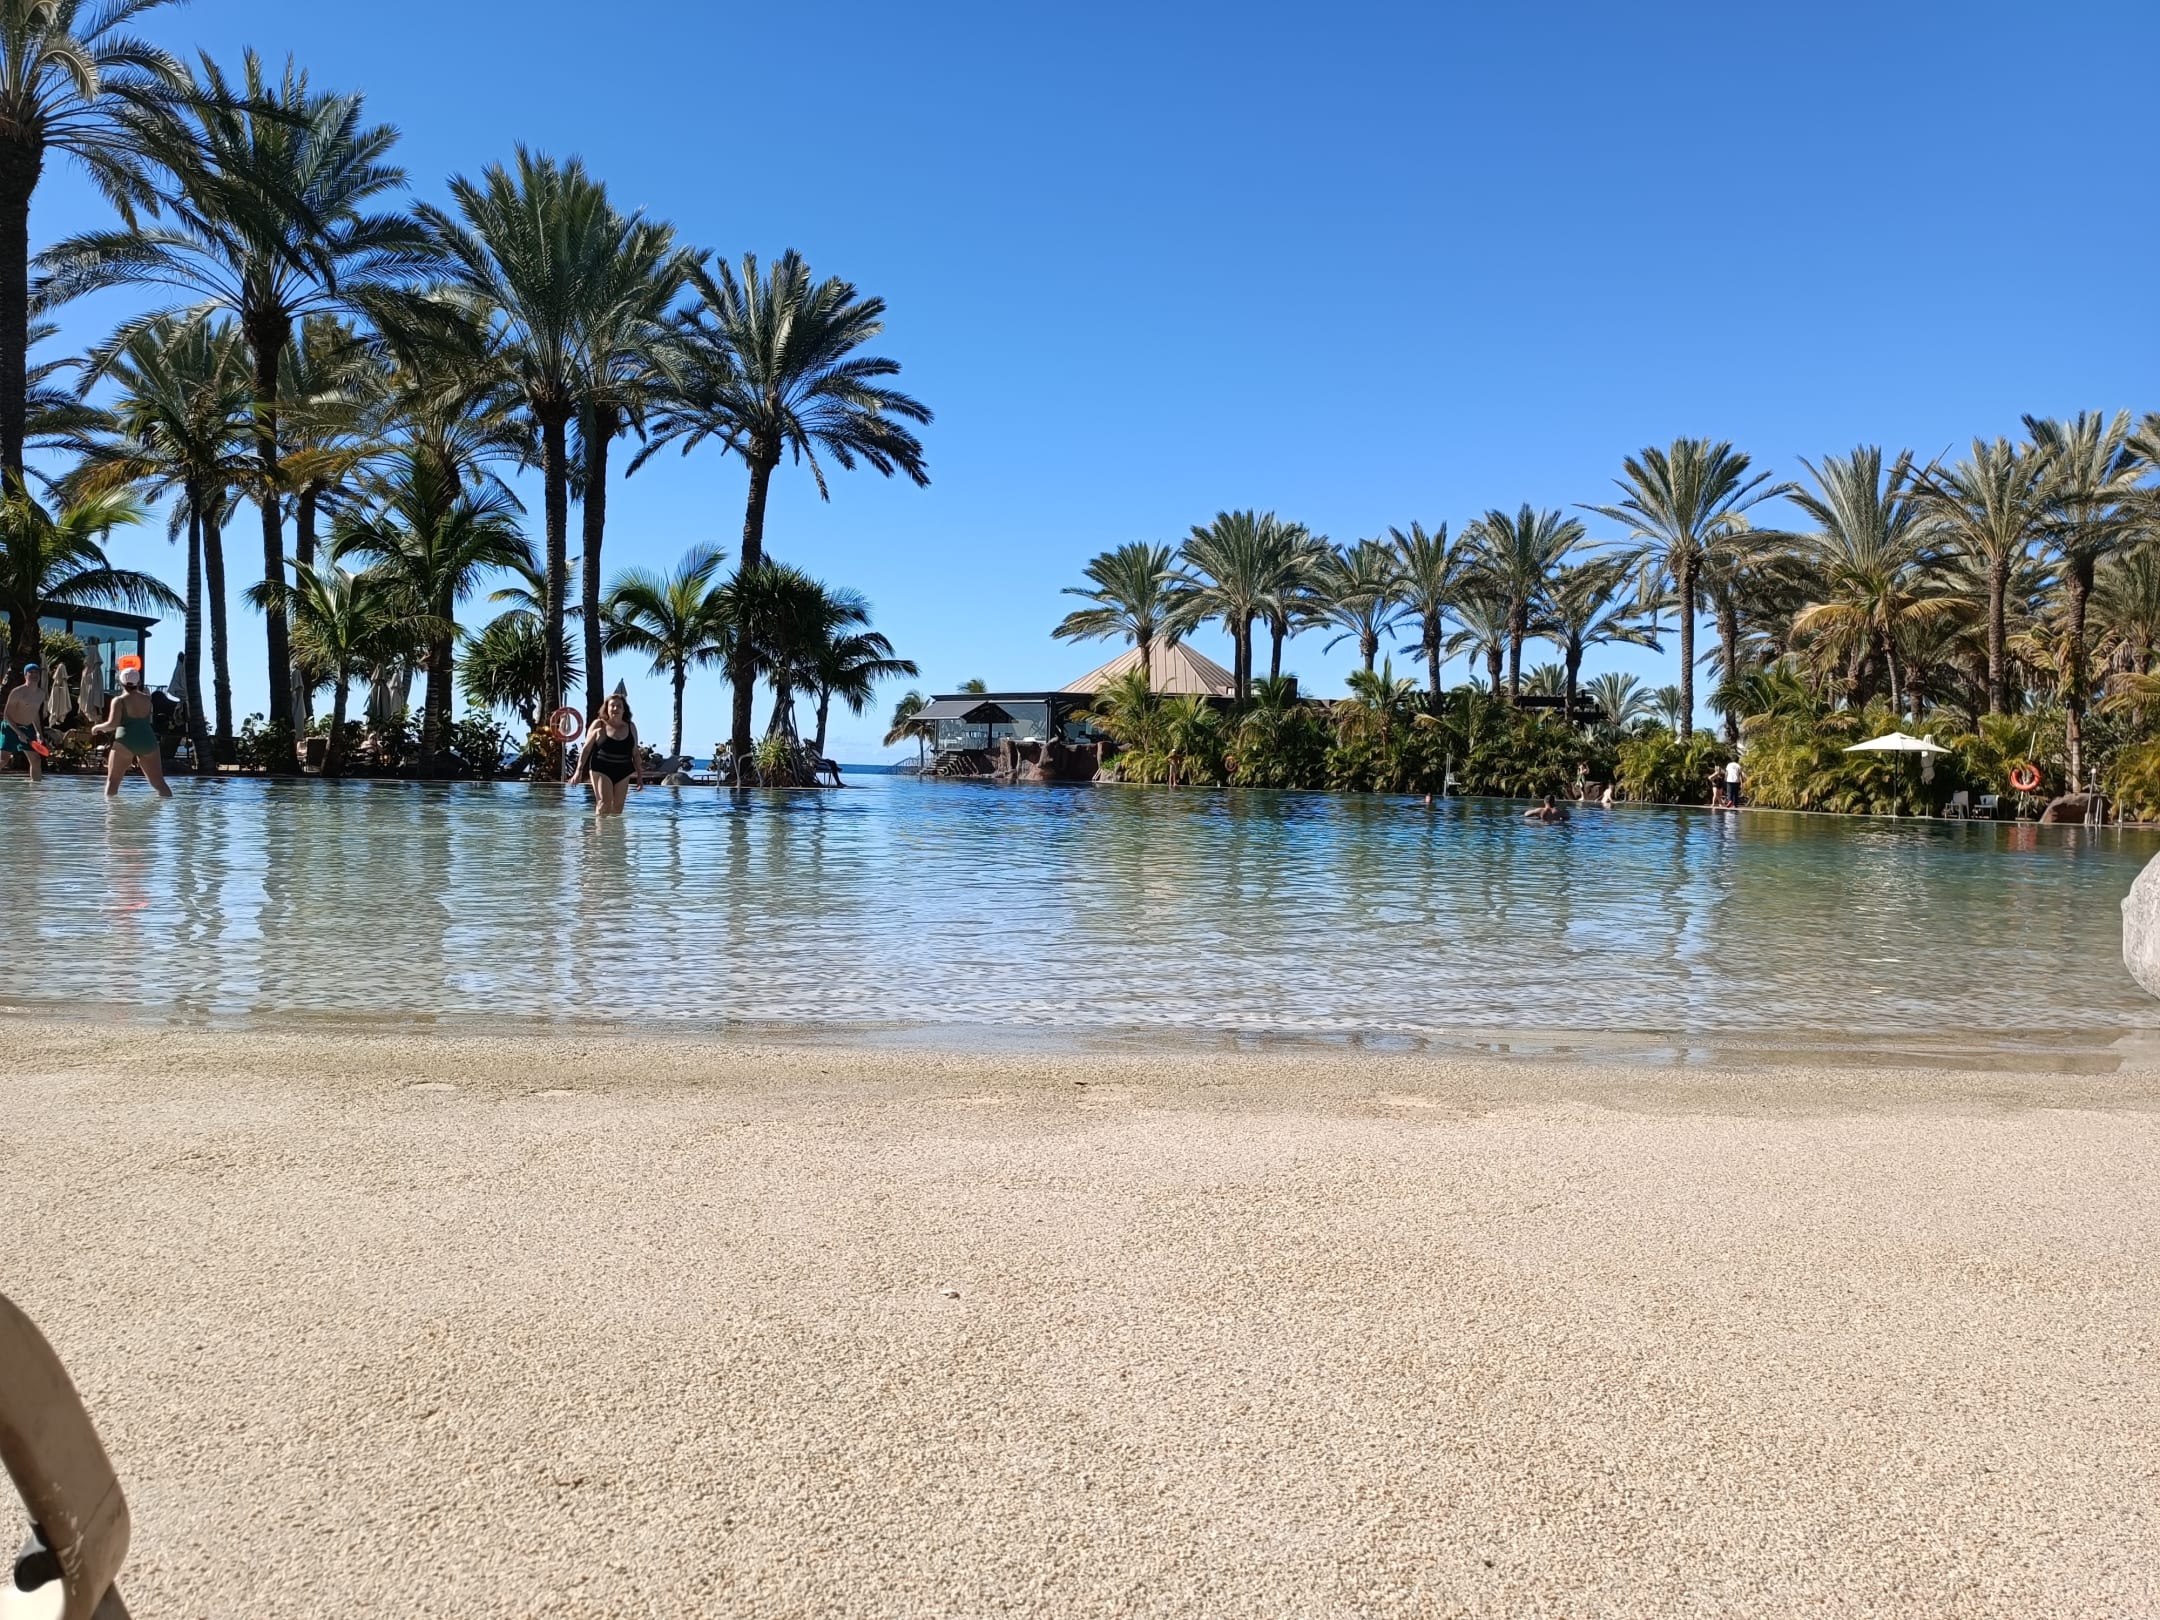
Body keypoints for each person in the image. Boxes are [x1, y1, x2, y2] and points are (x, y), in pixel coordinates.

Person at [91, 659, 172, 798]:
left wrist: (97, 727)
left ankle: (111, 811)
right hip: (147, 741)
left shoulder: (119, 701)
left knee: (113, 782)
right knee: (159, 783)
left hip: (125, 742)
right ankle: (168, 808)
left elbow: (112, 724)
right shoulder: (147, 699)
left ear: (121, 682)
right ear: (138, 682)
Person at [572, 691, 642, 818]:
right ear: (607, 709)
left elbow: (635, 753)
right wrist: (578, 771)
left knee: (618, 808)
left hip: (623, 769)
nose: (615, 708)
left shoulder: (631, 727)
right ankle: (599, 830)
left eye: (619, 706)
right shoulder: (599, 725)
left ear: (624, 710)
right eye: (612, 706)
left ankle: (613, 832)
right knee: (604, 804)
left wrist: (640, 776)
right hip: (601, 768)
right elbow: (586, 750)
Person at [3, 664, 49, 780]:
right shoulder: (17, 692)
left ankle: (35, 789)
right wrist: (19, 733)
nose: (34, 675)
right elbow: (6, 715)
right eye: (31, 672)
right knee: (3, 759)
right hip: (10, 727)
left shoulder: (41, 694)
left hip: (27, 728)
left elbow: (34, 714)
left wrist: (39, 733)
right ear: (25, 675)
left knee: (36, 760)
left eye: (36, 672)